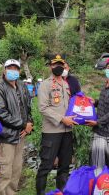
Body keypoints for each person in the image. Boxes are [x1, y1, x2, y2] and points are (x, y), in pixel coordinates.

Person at [0, 59, 33, 195]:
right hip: (5, 136)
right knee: (4, 174)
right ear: (4, 70)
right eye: (10, 68)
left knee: (16, 172)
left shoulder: (21, 85)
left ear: (19, 71)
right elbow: (2, 114)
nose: (13, 71)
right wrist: (23, 124)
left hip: (21, 135)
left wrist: (30, 123)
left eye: (15, 68)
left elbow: (28, 107)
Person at [36, 54, 77, 194]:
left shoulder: (66, 84)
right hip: (51, 132)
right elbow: (43, 107)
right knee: (46, 166)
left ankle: (62, 191)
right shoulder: (45, 84)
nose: (58, 67)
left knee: (65, 165)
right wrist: (61, 119)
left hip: (67, 131)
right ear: (50, 66)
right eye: (55, 64)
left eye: (61, 64)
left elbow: (70, 105)